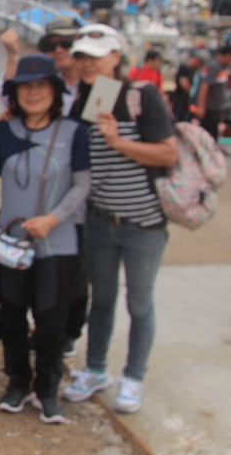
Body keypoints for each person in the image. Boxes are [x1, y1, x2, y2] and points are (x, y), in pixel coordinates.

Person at [0, 54, 91, 424]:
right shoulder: (3, 131)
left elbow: (83, 185)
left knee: (52, 324)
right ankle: (17, 382)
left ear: (54, 90)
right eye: (25, 87)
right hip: (11, 243)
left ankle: (47, 389)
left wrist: (53, 219)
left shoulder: (73, 131)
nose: (33, 93)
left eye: (41, 85)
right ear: (14, 94)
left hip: (59, 243)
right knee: (12, 317)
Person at [64, 24, 177, 414]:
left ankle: (134, 377)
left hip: (143, 224)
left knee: (140, 303)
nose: (87, 63)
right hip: (100, 220)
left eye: (95, 55)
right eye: (81, 56)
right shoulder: (87, 100)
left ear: (116, 57)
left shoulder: (141, 95)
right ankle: (96, 370)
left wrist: (119, 143)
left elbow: (167, 154)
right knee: (103, 300)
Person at [193, 44, 231, 140]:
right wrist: (201, 107)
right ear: (228, 55)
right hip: (209, 109)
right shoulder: (214, 66)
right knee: (207, 136)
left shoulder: (221, 67)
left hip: (216, 109)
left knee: (213, 135)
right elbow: (204, 86)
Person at [171, 50, 205, 122]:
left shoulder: (197, 71)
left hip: (189, 104)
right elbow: (185, 85)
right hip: (181, 101)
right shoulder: (185, 68)